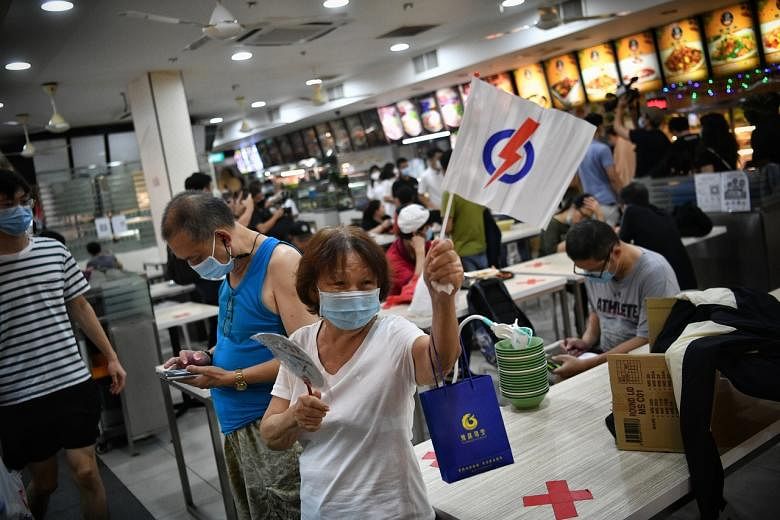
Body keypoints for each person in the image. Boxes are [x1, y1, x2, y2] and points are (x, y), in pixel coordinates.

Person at [259, 226, 463, 519]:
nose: (353, 293)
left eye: (366, 283)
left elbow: (438, 364)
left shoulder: (394, 334)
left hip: (395, 510)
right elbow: (270, 434)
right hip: (321, 509)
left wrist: (443, 299)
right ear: (312, 288)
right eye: (339, 284)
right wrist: (294, 417)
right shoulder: (299, 345)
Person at [161, 192, 315, 519]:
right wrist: (206, 356)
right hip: (238, 429)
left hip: (274, 427)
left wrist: (232, 378)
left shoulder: (280, 264)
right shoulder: (231, 266)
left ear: (222, 237)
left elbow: (307, 358)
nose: (194, 267)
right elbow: (237, 335)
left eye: (194, 257)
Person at [0, 169, 127, 520]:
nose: (17, 211)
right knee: (44, 483)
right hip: (18, 394)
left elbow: (81, 306)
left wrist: (111, 356)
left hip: (70, 381)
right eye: (6, 205)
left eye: (23, 202)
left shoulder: (53, 251)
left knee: (86, 472)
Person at [552, 220, 680, 379]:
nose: (590, 276)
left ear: (616, 252)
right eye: (584, 270)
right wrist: (586, 341)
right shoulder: (595, 269)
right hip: (605, 357)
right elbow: (597, 312)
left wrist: (587, 365)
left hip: (642, 364)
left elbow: (647, 339)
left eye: (594, 270)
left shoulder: (654, 273)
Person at [618, 182, 697, 290]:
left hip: (665, 282)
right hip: (686, 279)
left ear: (625, 204)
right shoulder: (662, 213)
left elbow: (620, 245)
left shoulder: (631, 211)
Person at [440, 150, 488, 271]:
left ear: (445, 169)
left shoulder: (450, 192)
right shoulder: (475, 185)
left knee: (472, 289)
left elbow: (448, 227)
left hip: (463, 251)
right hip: (481, 246)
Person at [576, 113, 621, 226]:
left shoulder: (579, 150)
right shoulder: (603, 149)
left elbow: (578, 181)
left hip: (589, 204)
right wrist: (623, 198)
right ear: (600, 128)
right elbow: (613, 178)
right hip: (607, 203)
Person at [614, 96, 671, 178]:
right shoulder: (661, 136)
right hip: (660, 180)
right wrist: (632, 110)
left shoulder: (645, 136)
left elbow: (617, 128)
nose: (641, 118)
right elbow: (638, 129)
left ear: (648, 121)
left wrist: (620, 108)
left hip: (647, 182)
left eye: (643, 116)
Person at [387, 204, 433, 295]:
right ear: (416, 233)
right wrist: (420, 253)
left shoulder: (427, 245)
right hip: (400, 306)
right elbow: (417, 291)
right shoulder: (393, 262)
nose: (430, 230)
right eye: (427, 228)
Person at [539, 192, 603, 256]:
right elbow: (550, 251)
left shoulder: (577, 224)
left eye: (588, 218)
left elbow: (601, 240)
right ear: (573, 207)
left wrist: (599, 214)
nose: (584, 221)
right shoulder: (551, 223)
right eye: (583, 215)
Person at [743, 92, 780, 167]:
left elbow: (761, 159)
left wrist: (750, 164)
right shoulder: (774, 122)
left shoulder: (760, 131)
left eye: (747, 114)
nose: (746, 118)